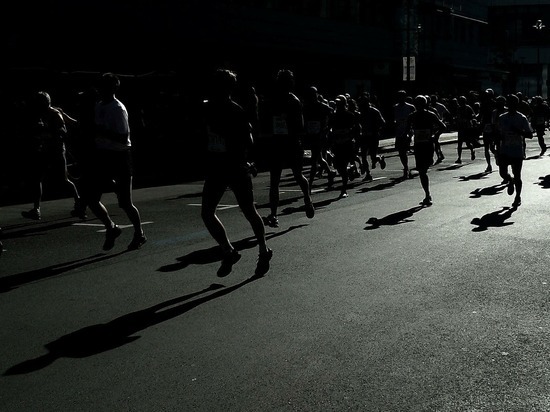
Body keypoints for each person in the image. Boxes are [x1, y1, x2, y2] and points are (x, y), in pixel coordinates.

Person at [200, 69, 272, 276]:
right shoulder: (208, 108)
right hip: (216, 167)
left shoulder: (235, 111)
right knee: (207, 212)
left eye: (218, 86)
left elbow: (247, 141)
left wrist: (245, 159)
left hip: (235, 166)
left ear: (226, 89)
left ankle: (263, 249)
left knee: (249, 210)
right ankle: (228, 250)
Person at [83, 72, 146, 251]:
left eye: (101, 86)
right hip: (103, 155)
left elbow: (122, 137)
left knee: (125, 202)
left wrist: (99, 131)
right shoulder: (99, 105)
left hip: (119, 157)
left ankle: (139, 233)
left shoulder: (117, 109)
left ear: (110, 89)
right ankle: (111, 227)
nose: (98, 90)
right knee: (91, 198)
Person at [261, 69, 314, 228]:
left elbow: (300, 126)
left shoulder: (294, 101)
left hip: (290, 143)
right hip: (277, 143)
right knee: (275, 180)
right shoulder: (272, 100)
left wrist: (287, 124)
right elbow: (266, 122)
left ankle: (307, 198)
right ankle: (274, 214)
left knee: (296, 175)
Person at [20, 91, 85, 221]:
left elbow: (63, 131)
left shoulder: (55, 114)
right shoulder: (41, 114)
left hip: (56, 151)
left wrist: (46, 135)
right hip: (45, 151)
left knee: (63, 180)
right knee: (37, 178)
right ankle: (36, 209)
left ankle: (78, 202)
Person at [406, 95, 447, 206]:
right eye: (417, 104)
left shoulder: (430, 115)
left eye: (421, 104)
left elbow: (442, 126)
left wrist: (435, 136)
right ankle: (427, 194)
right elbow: (407, 129)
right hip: (418, 145)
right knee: (422, 171)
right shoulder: (412, 116)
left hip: (428, 144)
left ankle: (427, 193)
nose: (419, 106)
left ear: (425, 105)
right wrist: (408, 138)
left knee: (425, 167)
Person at [496, 94, 533, 207]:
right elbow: (498, 133)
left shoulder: (521, 118)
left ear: (516, 105)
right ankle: (510, 180)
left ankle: (517, 196)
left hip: (517, 150)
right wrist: (496, 147)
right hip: (505, 150)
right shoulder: (502, 117)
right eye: (509, 103)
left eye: (513, 104)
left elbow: (530, 134)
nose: (511, 106)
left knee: (517, 175)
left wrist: (519, 131)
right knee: (502, 172)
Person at [327, 95, 360, 198]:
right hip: (337, 144)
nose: (338, 106)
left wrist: (353, 138)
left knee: (343, 165)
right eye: (337, 104)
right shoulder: (333, 116)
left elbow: (356, 129)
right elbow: (329, 128)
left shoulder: (349, 115)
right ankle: (351, 168)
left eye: (340, 104)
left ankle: (344, 189)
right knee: (338, 166)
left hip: (347, 143)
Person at [302, 86, 335, 188]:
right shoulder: (306, 107)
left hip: (320, 135)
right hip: (311, 135)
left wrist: (326, 128)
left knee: (314, 159)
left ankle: (310, 183)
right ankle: (330, 173)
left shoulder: (322, 106)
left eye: (313, 94)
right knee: (319, 158)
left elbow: (332, 113)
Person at [357, 92, 386, 182]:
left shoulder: (374, 111)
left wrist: (376, 129)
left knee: (373, 156)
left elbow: (382, 122)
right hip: (364, 136)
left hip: (373, 136)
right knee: (364, 156)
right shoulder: (359, 113)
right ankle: (368, 174)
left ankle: (379, 158)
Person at [393, 90, 416, 178]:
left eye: (402, 96)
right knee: (401, 152)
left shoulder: (410, 107)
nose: (400, 98)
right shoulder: (395, 107)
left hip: (408, 132)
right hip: (399, 131)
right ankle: (405, 167)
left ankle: (409, 167)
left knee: (405, 150)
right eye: (399, 97)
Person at [479, 88, 497, 173]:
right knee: (488, 147)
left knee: (489, 147)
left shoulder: (493, 104)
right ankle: (489, 164)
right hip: (488, 126)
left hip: (492, 126)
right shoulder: (492, 104)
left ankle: (491, 163)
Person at [429, 94, 450, 164]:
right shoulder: (429, 107)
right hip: (431, 126)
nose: (432, 102)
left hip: (438, 126)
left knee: (435, 140)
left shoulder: (440, 106)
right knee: (434, 141)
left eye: (434, 100)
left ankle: (439, 155)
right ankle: (439, 154)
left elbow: (447, 113)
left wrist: (443, 120)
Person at [455, 95, 476, 164]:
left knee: (467, 143)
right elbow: (457, 117)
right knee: (459, 143)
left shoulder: (468, 108)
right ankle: (459, 157)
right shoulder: (458, 109)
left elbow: (473, 115)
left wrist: (468, 119)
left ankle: (472, 150)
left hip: (467, 127)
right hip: (461, 127)